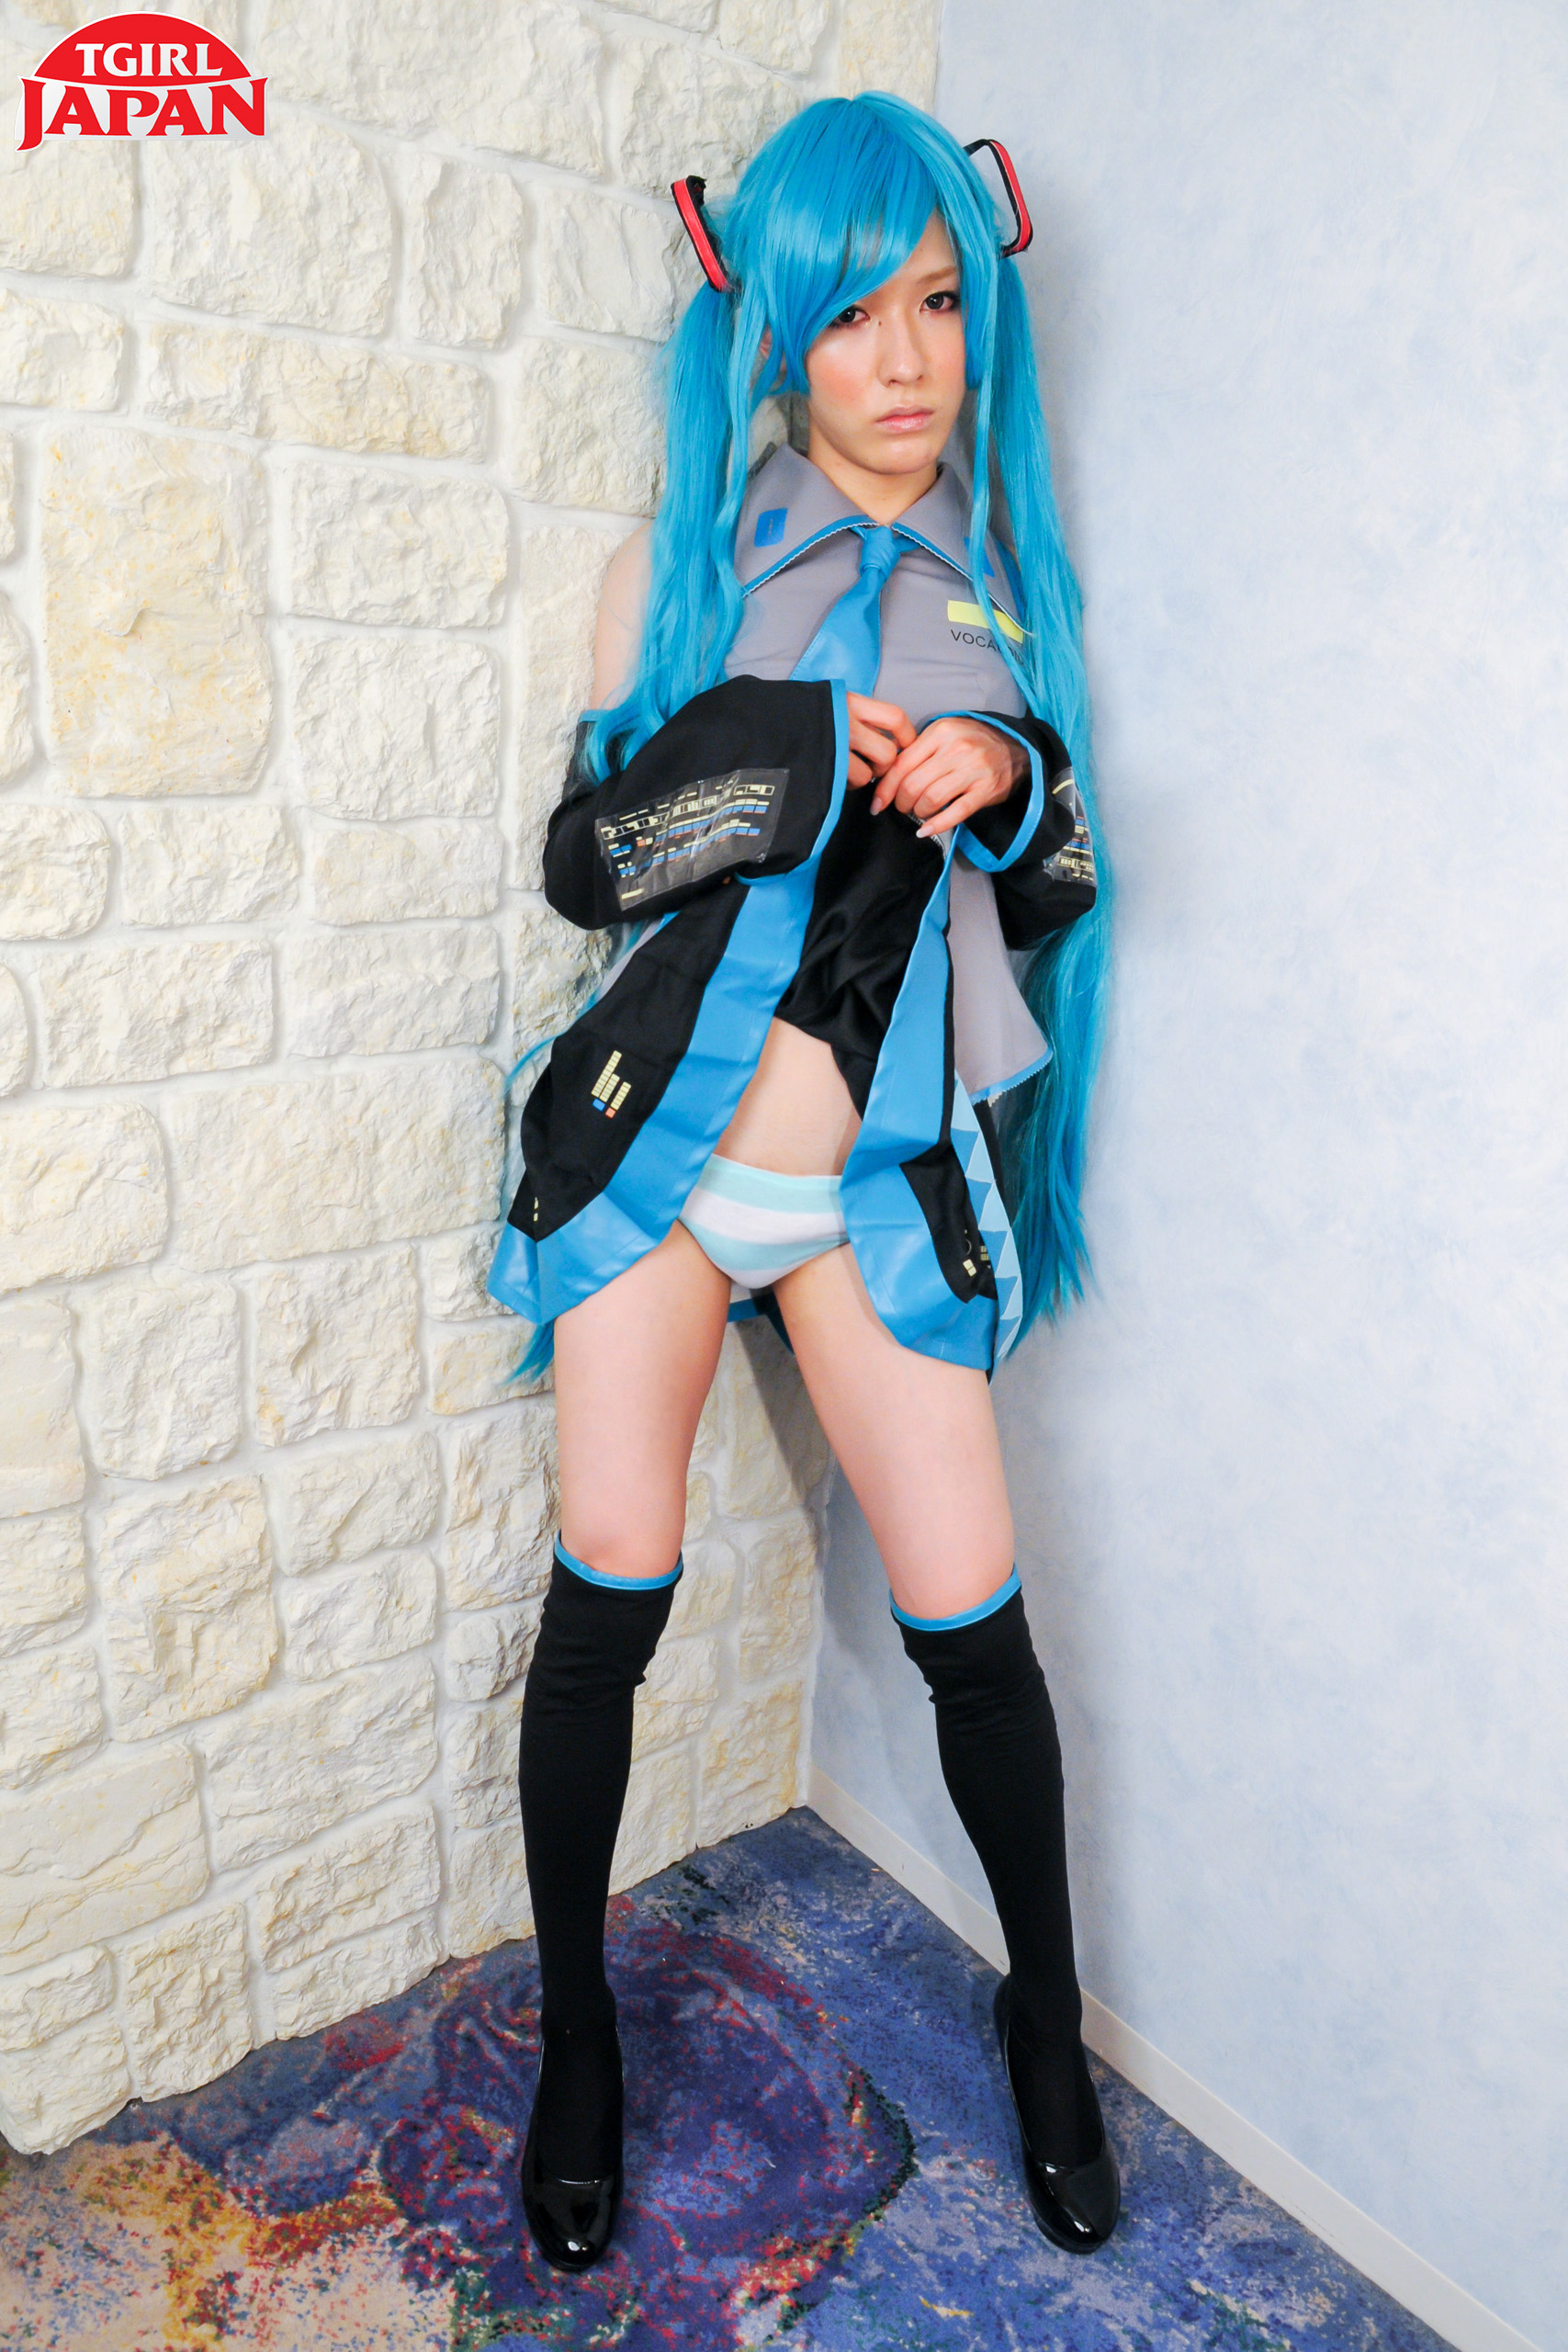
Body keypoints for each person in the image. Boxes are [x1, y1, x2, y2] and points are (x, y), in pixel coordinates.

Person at [489, 90, 1116, 2272]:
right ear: (770, 327)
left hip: (875, 1191)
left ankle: (1043, 2018)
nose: (901, 357)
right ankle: (582, 2033)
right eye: (849, 313)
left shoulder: (1001, 592)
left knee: (976, 1627)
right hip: (663, 1169)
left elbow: (1064, 881)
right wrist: (764, 749)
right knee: (607, 1602)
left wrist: (1004, 771)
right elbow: (586, 865)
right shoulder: (677, 567)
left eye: (933, 300)